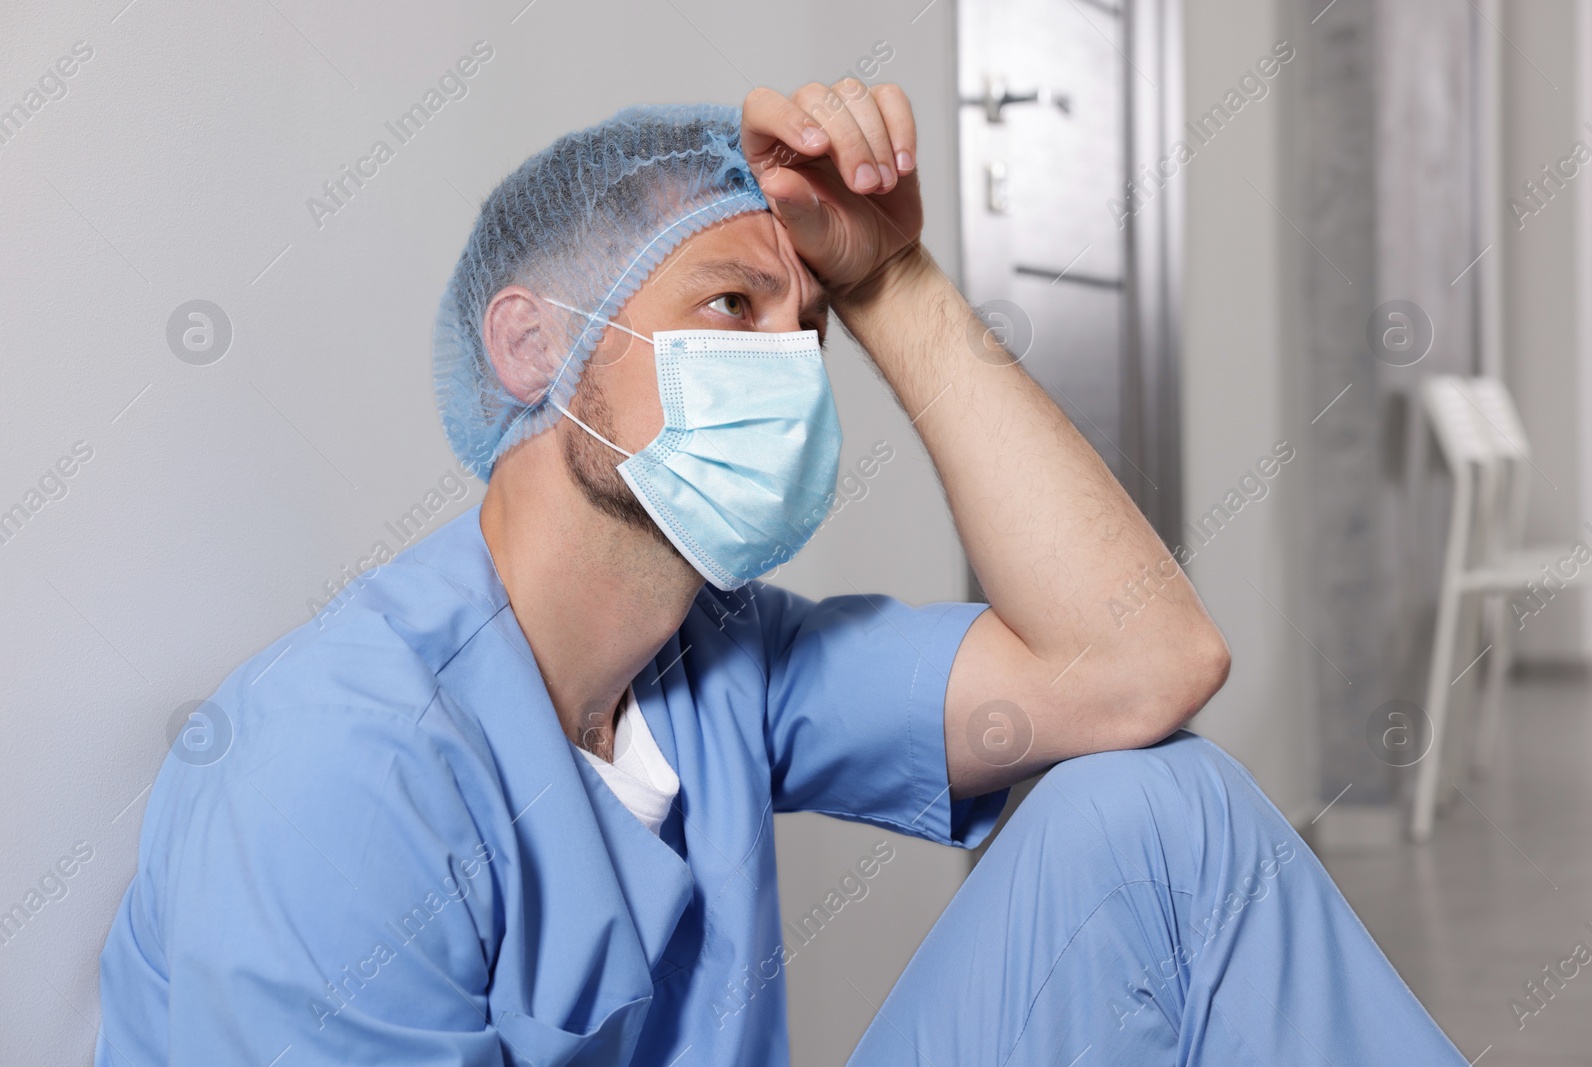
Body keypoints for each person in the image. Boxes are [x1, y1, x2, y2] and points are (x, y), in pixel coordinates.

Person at [95, 81, 1466, 1065]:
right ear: (529, 350)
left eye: (807, 333)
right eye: (729, 307)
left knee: (1162, 812)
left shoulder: (725, 672)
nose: (782, 371)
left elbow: (1141, 665)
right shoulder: (336, 765)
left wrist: (893, 277)